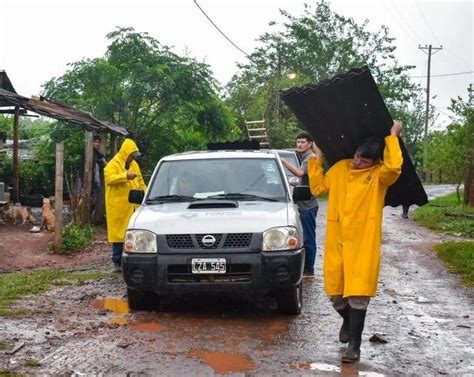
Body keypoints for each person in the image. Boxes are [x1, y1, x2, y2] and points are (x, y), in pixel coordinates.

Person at [308, 121, 403, 363]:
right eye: (358, 156)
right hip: (338, 241)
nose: (358, 162)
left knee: (358, 295)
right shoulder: (341, 168)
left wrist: (392, 136)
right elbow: (318, 187)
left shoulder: (379, 176)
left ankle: (355, 346)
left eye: (364, 161)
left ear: (374, 163)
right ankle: (348, 322)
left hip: (363, 243)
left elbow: (394, 167)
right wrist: (317, 158)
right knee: (335, 295)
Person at [104, 138, 146, 272]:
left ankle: (133, 260)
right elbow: (109, 178)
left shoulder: (134, 165)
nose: (132, 158)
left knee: (134, 232)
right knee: (118, 236)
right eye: (131, 155)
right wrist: (125, 176)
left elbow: (140, 181)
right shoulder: (113, 164)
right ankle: (117, 262)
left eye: (134, 156)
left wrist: (146, 194)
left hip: (133, 205)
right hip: (118, 207)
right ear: (126, 153)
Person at [281, 131, 319, 277]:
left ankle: (309, 269)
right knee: (302, 237)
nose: (299, 144)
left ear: (310, 144)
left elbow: (299, 173)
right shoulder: (305, 158)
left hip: (308, 205)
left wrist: (283, 162)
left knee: (309, 238)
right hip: (303, 204)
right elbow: (304, 179)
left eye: (303, 142)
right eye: (298, 142)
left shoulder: (310, 158)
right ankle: (307, 267)